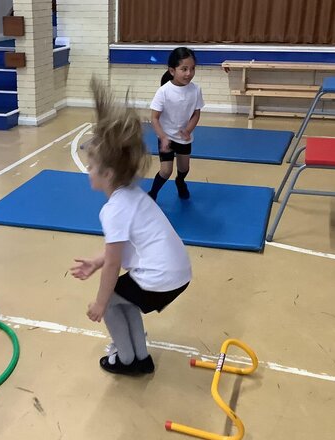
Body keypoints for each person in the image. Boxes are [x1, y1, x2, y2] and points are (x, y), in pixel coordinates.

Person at [70, 77, 191, 375]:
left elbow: (114, 263)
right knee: (126, 299)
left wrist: (99, 303)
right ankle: (140, 357)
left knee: (112, 301)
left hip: (161, 278)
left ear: (108, 173)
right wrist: (96, 263)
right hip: (178, 273)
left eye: (92, 167)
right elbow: (119, 251)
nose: (88, 171)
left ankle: (125, 359)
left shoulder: (113, 210)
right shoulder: (133, 196)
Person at [148, 47, 205, 201]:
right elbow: (154, 118)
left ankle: (180, 181)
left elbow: (196, 113)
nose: (189, 73)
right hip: (166, 136)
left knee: (184, 168)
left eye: (192, 69)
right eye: (184, 69)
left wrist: (188, 129)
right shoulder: (164, 91)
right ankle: (152, 193)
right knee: (166, 171)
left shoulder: (196, 90)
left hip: (184, 138)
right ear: (172, 71)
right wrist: (163, 137)